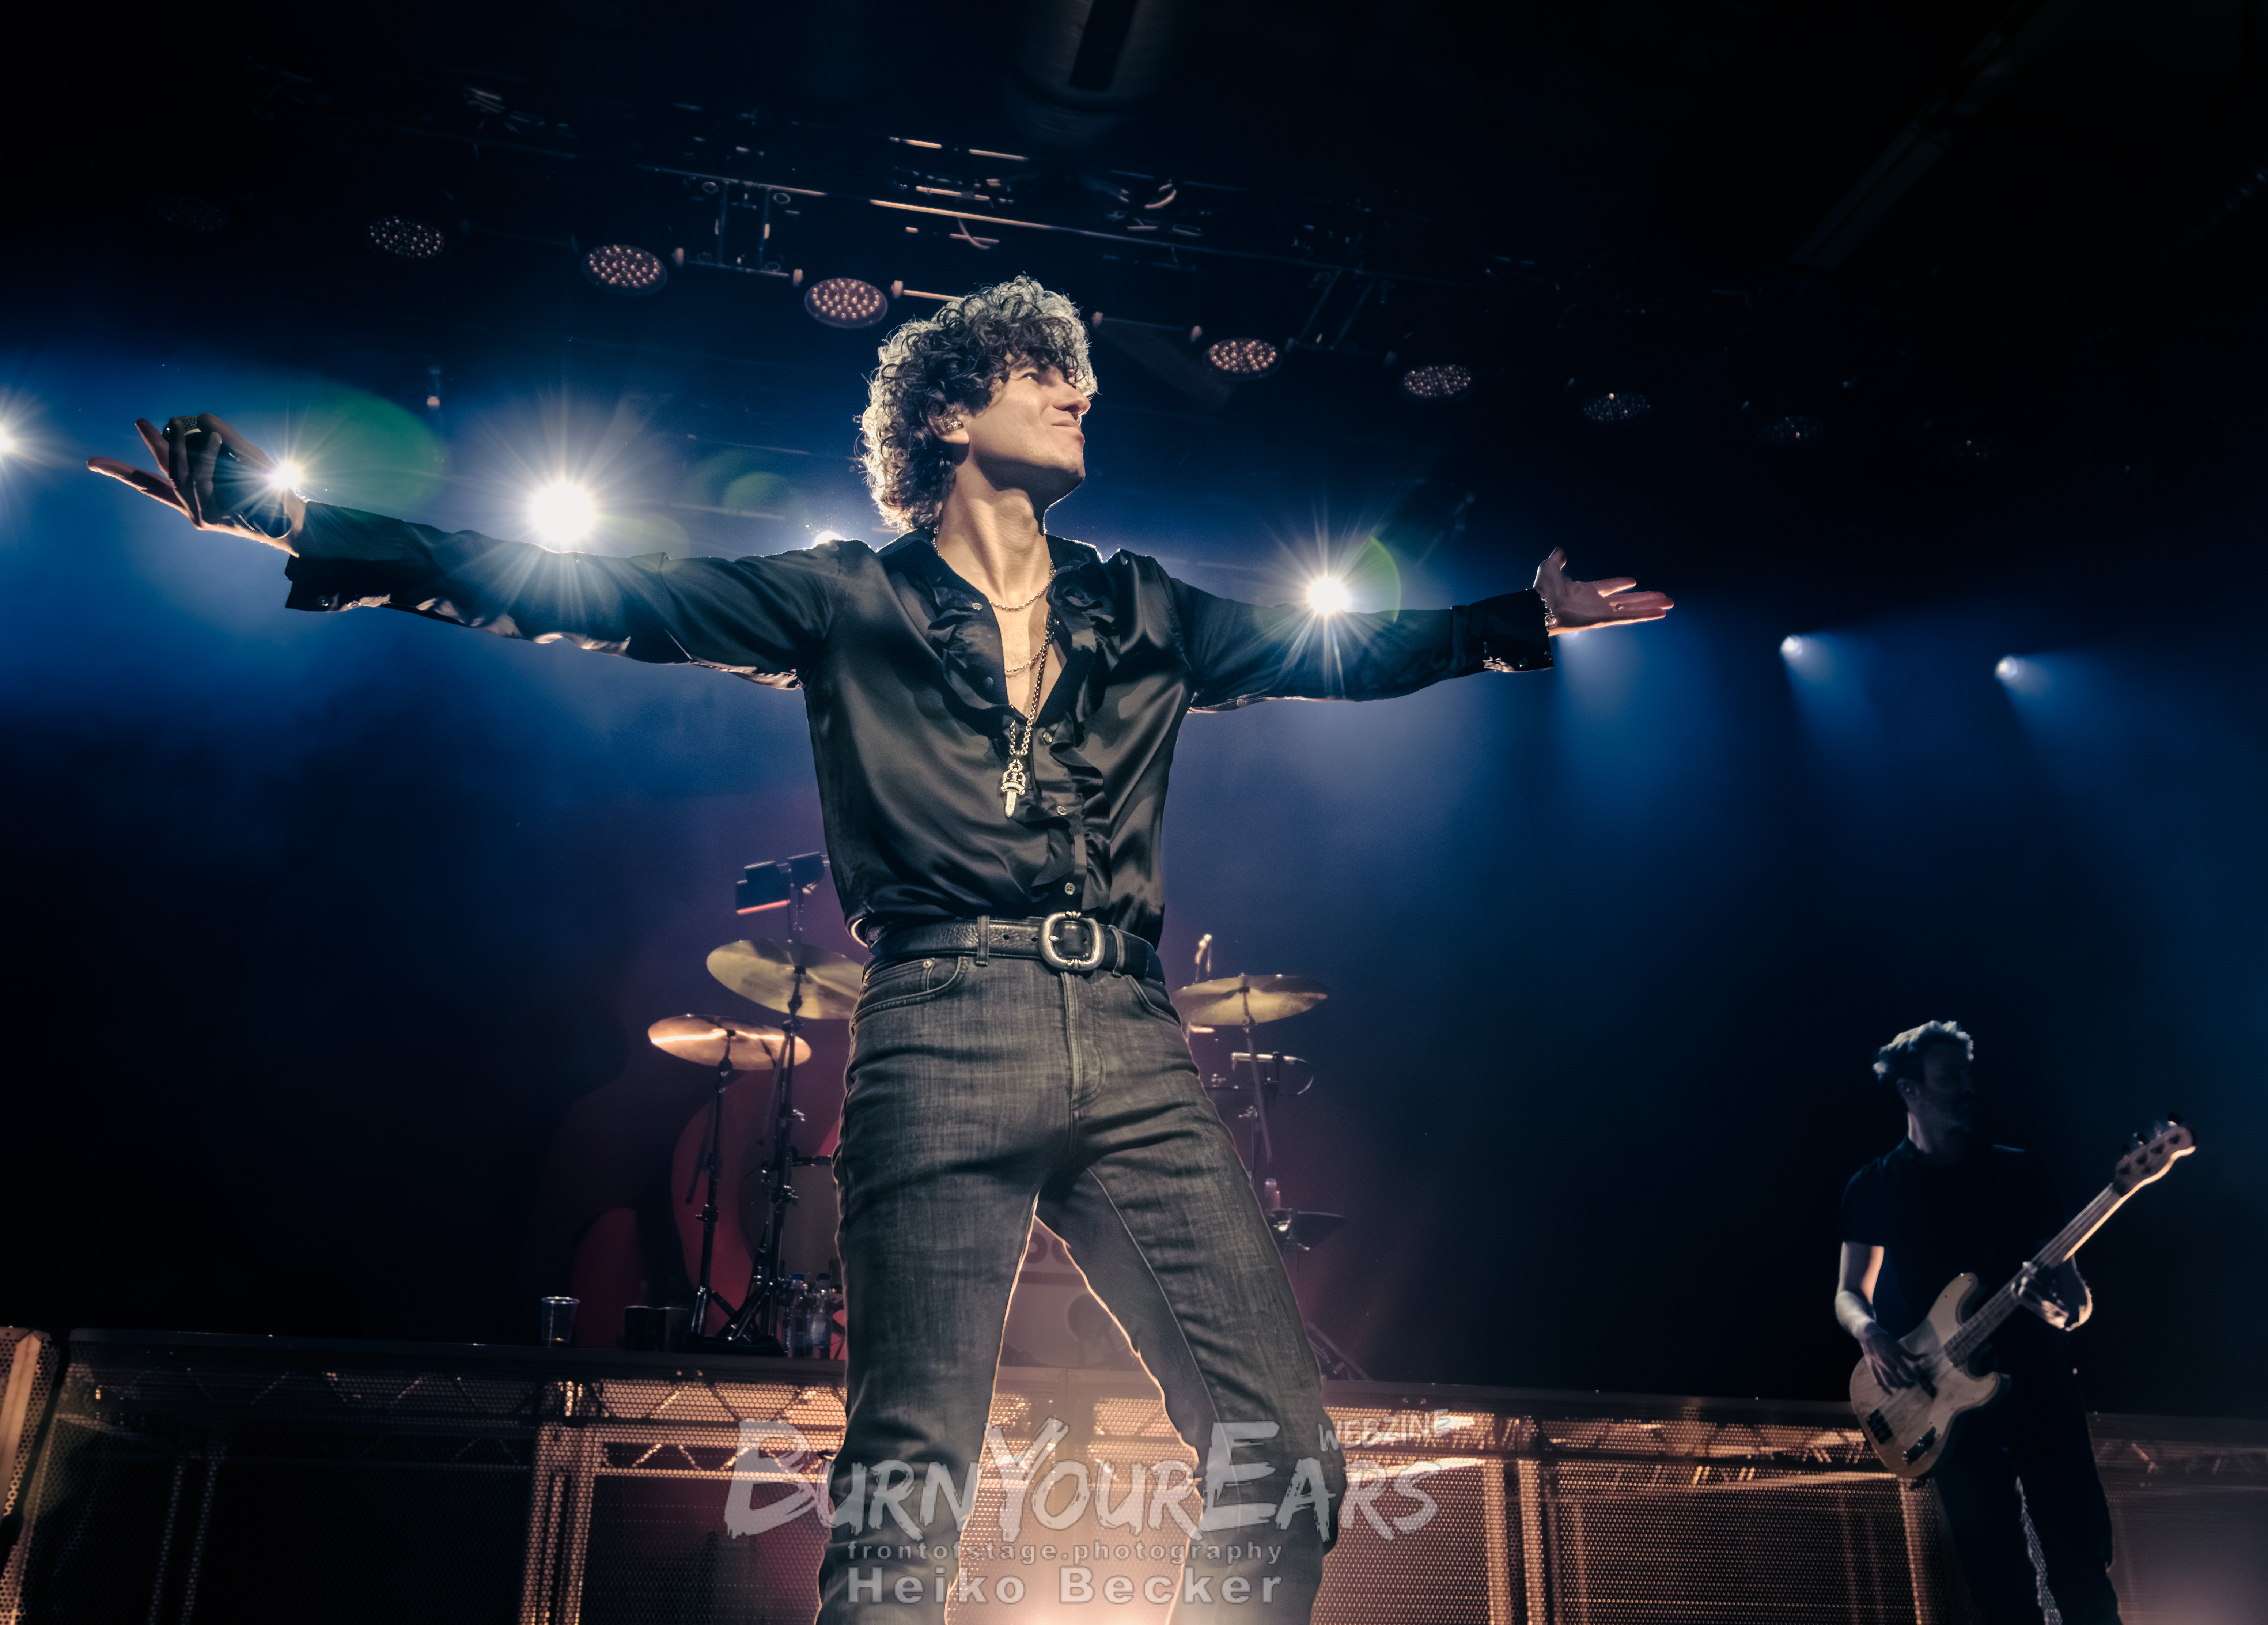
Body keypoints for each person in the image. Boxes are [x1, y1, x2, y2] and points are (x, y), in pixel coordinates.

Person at [90, 275, 1671, 1624]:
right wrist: (296, 520)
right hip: (938, 1025)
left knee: (1286, 1461)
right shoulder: (842, 599)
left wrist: (1513, 621)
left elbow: (1344, 650)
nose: (1079, 393)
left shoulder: (1146, 608)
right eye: (1042, 374)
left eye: (1080, 377)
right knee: (909, 1480)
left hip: (1133, 1037)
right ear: (948, 414)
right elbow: (589, 587)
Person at [1835, 1020, 2121, 1625]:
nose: (1966, 1088)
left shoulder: (2017, 1172)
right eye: (1949, 1077)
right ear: (1910, 1090)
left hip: (2039, 1391)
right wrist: (1870, 1333)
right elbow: (1848, 1293)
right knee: (1999, 1593)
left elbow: (2075, 1303)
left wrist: (2051, 1308)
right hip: (1947, 1407)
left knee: (2081, 1575)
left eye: (1968, 1075)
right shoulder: (1874, 1186)